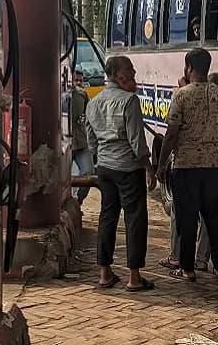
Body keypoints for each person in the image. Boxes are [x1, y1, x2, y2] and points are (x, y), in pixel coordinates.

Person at [156, 48, 218, 282]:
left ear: (188, 67)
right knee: (214, 218)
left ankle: (187, 269)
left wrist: (161, 163)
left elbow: (171, 134)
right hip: (213, 168)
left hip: (185, 168)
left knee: (186, 220)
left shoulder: (182, 95)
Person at [85, 55, 156, 292]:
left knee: (107, 217)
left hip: (105, 168)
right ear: (117, 74)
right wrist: (148, 168)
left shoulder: (93, 102)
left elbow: (91, 139)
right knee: (135, 219)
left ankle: (104, 273)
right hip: (128, 168)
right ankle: (134, 277)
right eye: (129, 69)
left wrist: (100, 158)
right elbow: (137, 140)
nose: (134, 72)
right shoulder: (129, 101)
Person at [64, 70, 93, 205]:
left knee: (88, 173)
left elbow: (89, 117)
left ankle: (77, 201)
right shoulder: (58, 96)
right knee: (62, 177)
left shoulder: (82, 95)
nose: (79, 83)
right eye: (76, 80)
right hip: (64, 145)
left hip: (81, 143)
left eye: (80, 80)